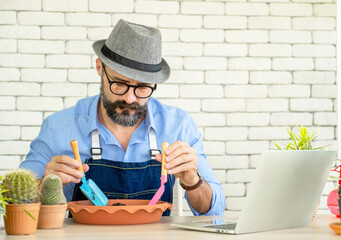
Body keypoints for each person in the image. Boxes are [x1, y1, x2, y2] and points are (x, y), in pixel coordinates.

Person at [20, 19, 225, 216]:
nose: (129, 98)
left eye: (143, 87)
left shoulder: (179, 126)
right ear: (100, 68)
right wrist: (44, 183)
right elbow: (10, 204)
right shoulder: (58, 128)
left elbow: (214, 211)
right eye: (119, 83)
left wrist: (193, 180)